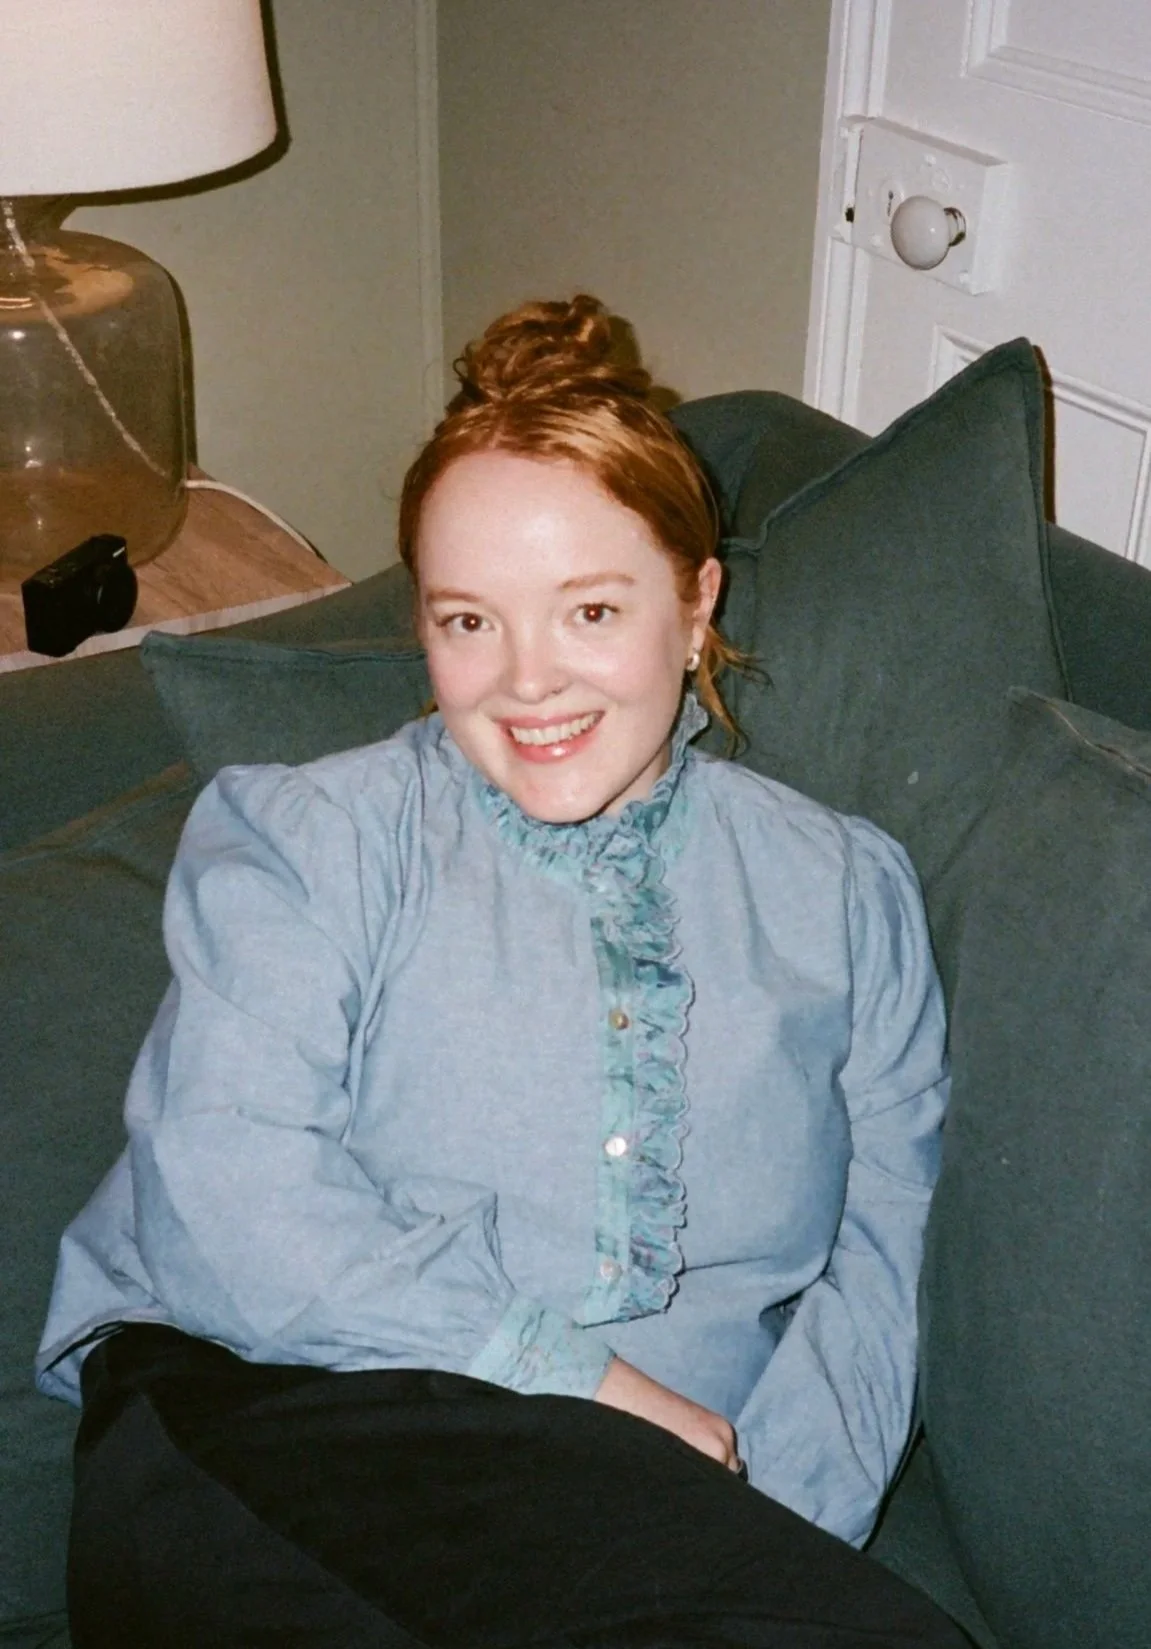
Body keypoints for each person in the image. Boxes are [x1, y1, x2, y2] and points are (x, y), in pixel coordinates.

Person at [39, 295, 967, 1647]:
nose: (526, 683)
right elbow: (222, 1204)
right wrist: (584, 1384)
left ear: (696, 601)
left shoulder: (844, 895)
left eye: (590, 609)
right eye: (468, 622)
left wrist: (770, 1522)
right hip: (278, 1404)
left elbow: (887, 1260)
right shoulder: (313, 842)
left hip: (637, 1513)